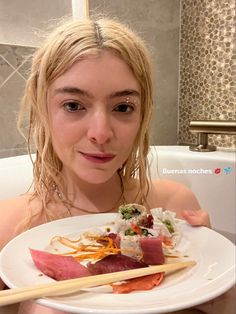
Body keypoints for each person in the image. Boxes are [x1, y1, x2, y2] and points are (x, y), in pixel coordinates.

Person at [0, 16, 232, 314]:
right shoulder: (8, 227)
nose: (101, 133)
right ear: (42, 108)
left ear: (142, 115)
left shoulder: (176, 207)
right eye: (73, 105)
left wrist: (215, 285)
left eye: (123, 107)